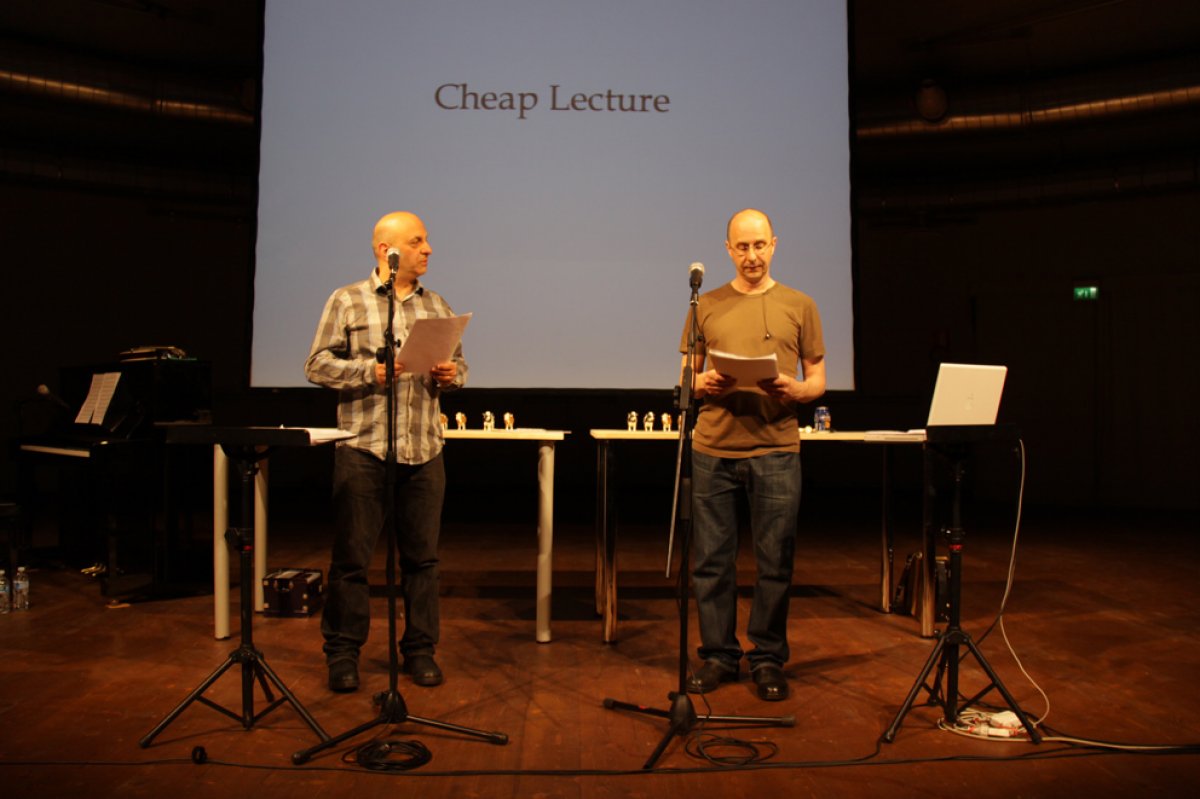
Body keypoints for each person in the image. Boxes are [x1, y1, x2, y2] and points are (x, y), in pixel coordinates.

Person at [305, 211, 467, 693]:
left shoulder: (435, 304)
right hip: (364, 447)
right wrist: (367, 373)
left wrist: (451, 375)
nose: (428, 249)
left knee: (423, 560)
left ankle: (420, 650)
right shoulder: (347, 300)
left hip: (423, 448)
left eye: (426, 241)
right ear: (387, 251)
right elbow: (316, 364)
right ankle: (343, 653)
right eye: (417, 241)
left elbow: (460, 366)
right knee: (352, 559)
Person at [680, 208, 826, 701]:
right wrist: (705, 382)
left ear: (774, 244)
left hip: (776, 448)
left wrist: (796, 389)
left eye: (759, 245)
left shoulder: (800, 304)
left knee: (775, 561)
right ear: (728, 250)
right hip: (713, 448)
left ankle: (767, 659)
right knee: (711, 562)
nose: (751, 255)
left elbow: (817, 380)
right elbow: (687, 376)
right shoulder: (706, 305)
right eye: (742, 247)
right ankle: (719, 656)